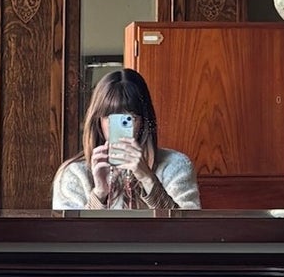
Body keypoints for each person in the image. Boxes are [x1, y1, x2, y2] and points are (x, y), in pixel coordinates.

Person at [51, 68, 201, 213]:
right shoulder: (75, 173)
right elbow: (68, 236)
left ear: (144, 121)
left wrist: (148, 180)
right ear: (98, 121)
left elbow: (189, 232)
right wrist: (99, 194)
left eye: (129, 118)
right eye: (110, 117)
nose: (118, 126)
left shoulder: (176, 165)